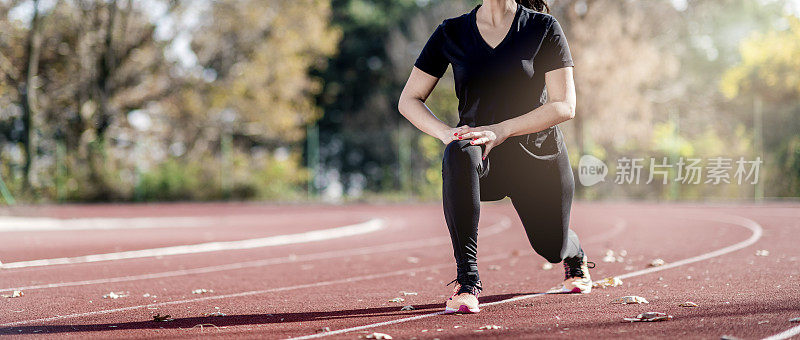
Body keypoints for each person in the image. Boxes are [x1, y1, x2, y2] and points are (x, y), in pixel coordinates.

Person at [397, 0, 594, 314]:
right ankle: (467, 281)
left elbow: (564, 105)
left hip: (537, 158)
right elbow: (409, 99)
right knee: (458, 150)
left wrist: (502, 129)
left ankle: (574, 253)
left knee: (551, 248)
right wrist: (445, 132)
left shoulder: (542, 27)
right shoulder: (452, 32)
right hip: (482, 156)